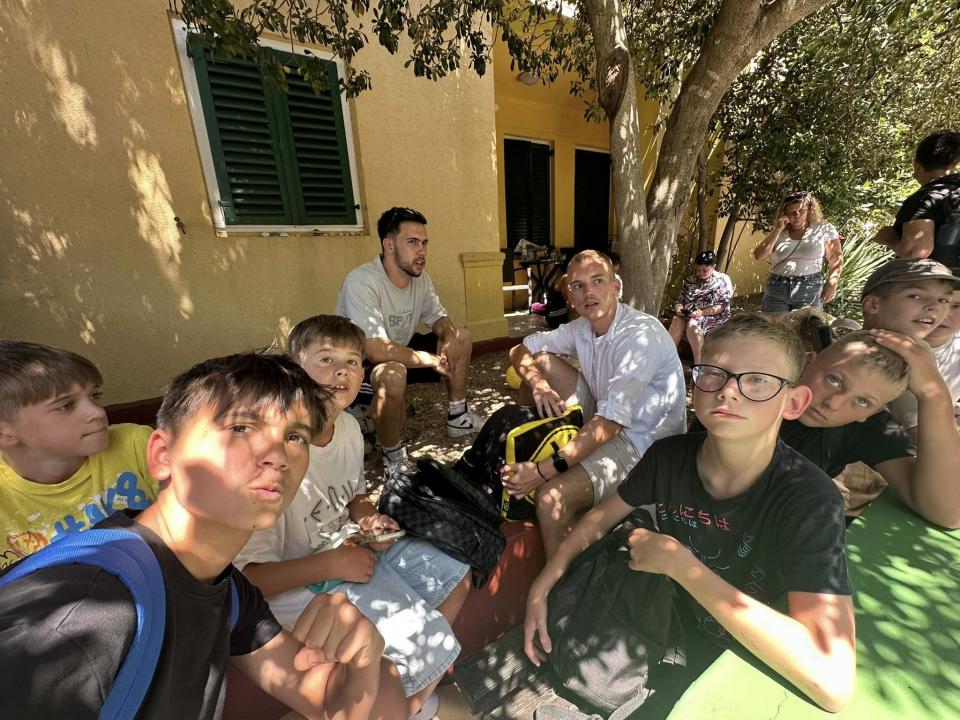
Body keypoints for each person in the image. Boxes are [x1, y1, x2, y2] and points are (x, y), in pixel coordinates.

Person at [0, 352, 405, 719]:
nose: (278, 455)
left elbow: (331, 703)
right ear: (163, 455)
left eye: (295, 436)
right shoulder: (82, 620)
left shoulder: (224, 588)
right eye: (242, 427)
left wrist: (364, 658)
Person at [524, 314, 856, 713]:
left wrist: (682, 567)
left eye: (757, 380)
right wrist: (542, 586)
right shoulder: (668, 457)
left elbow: (832, 683)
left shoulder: (809, 499)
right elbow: (598, 520)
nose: (728, 392)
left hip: (755, 663)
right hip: (668, 635)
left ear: (794, 402)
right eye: (714, 374)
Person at [236, 315, 470, 720]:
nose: (341, 371)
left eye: (352, 361)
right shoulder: (276, 453)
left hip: (349, 553)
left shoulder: (347, 427)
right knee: (418, 637)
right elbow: (249, 580)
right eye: (326, 359)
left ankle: (405, 701)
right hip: (301, 581)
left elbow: (355, 498)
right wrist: (333, 563)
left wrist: (370, 520)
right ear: (295, 368)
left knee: (454, 574)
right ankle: (394, 702)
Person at [502, 250, 686, 557]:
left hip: (642, 443)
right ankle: (528, 447)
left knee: (551, 497)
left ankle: (567, 583)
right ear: (571, 298)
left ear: (616, 287)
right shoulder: (581, 328)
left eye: (597, 281)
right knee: (541, 364)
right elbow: (520, 350)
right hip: (606, 413)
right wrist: (539, 385)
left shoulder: (640, 334)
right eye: (578, 285)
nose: (589, 292)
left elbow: (610, 425)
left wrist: (544, 471)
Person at [336, 207, 482, 482]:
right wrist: (430, 359)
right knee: (393, 373)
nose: (422, 251)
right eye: (412, 242)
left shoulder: (420, 278)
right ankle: (393, 456)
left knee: (461, 336)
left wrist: (448, 337)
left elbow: (439, 319)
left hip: (399, 350)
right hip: (359, 365)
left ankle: (458, 417)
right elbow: (375, 349)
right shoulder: (362, 282)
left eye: (424, 243)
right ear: (389, 245)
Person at [0, 340, 160, 570]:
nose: (97, 412)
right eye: (65, 405)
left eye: (94, 396)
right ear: (4, 433)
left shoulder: (136, 444)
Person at [872, 130, 960, 270]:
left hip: (941, 281)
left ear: (917, 166)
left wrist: (888, 237)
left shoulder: (927, 198)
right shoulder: (953, 191)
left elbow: (916, 252)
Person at [753, 191, 843, 313]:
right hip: (778, 286)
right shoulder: (779, 232)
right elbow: (759, 255)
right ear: (784, 213)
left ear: (809, 210)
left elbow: (835, 257)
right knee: (774, 324)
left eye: (801, 210)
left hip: (809, 286)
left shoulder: (823, 228)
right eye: (792, 212)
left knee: (806, 324)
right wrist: (778, 229)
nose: (797, 215)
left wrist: (832, 283)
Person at [668, 250, 733, 363]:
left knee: (693, 324)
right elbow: (680, 300)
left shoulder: (722, 280)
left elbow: (722, 306)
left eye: (705, 270)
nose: (701, 273)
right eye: (698, 270)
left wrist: (701, 313)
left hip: (714, 316)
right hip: (691, 314)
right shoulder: (691, 280)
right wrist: (678, 308)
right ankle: (667, 358)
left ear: (713, 267)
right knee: (677, 320)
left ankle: (698, 364)